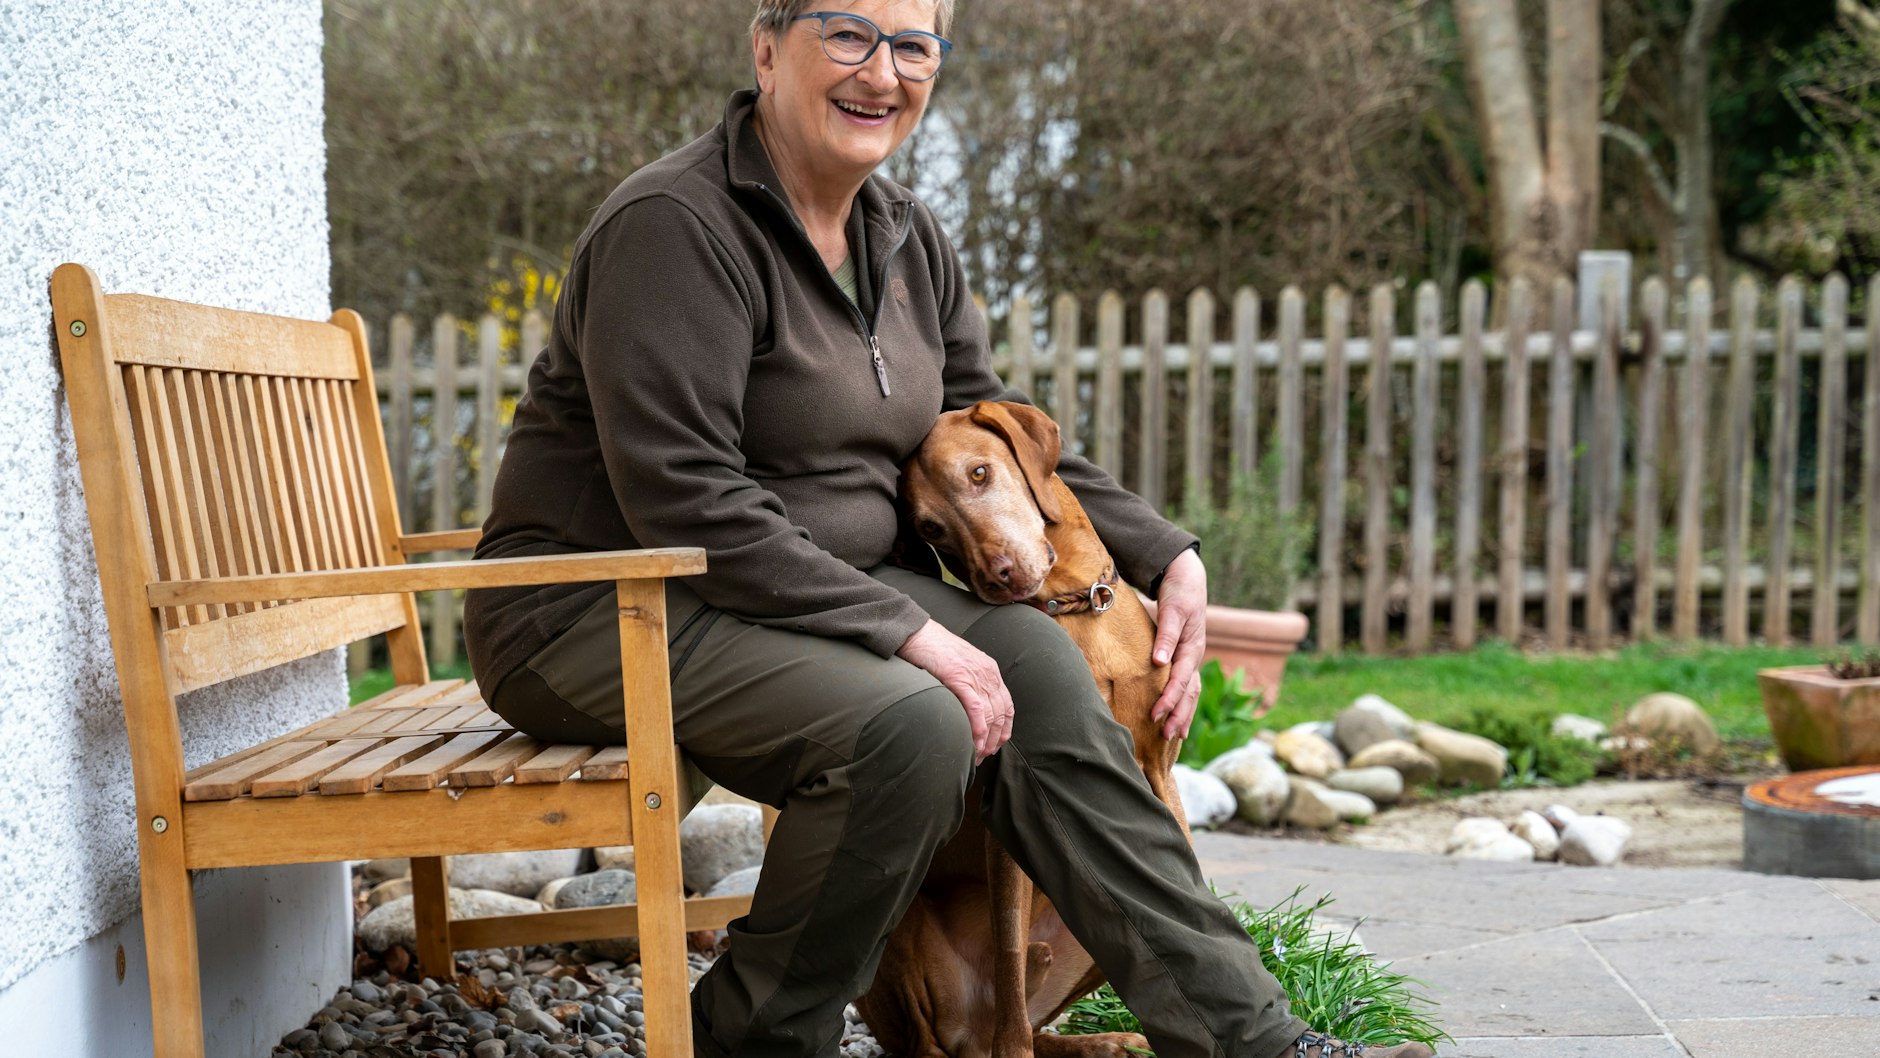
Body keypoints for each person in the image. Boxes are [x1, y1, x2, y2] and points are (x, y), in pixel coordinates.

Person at [464, 3, 1435, 1057]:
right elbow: (684, 494)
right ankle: (741, 1040)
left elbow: (988, 424)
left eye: (911, 45)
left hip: (797, 584)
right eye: (846, 34)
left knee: (1039, 664)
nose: (881, 72)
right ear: (763, 45)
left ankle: (1252, 1039)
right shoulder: (672, 227)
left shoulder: (903, 232)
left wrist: (1164, 551)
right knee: (908, 726)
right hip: (601, 603)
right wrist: (911, 631)